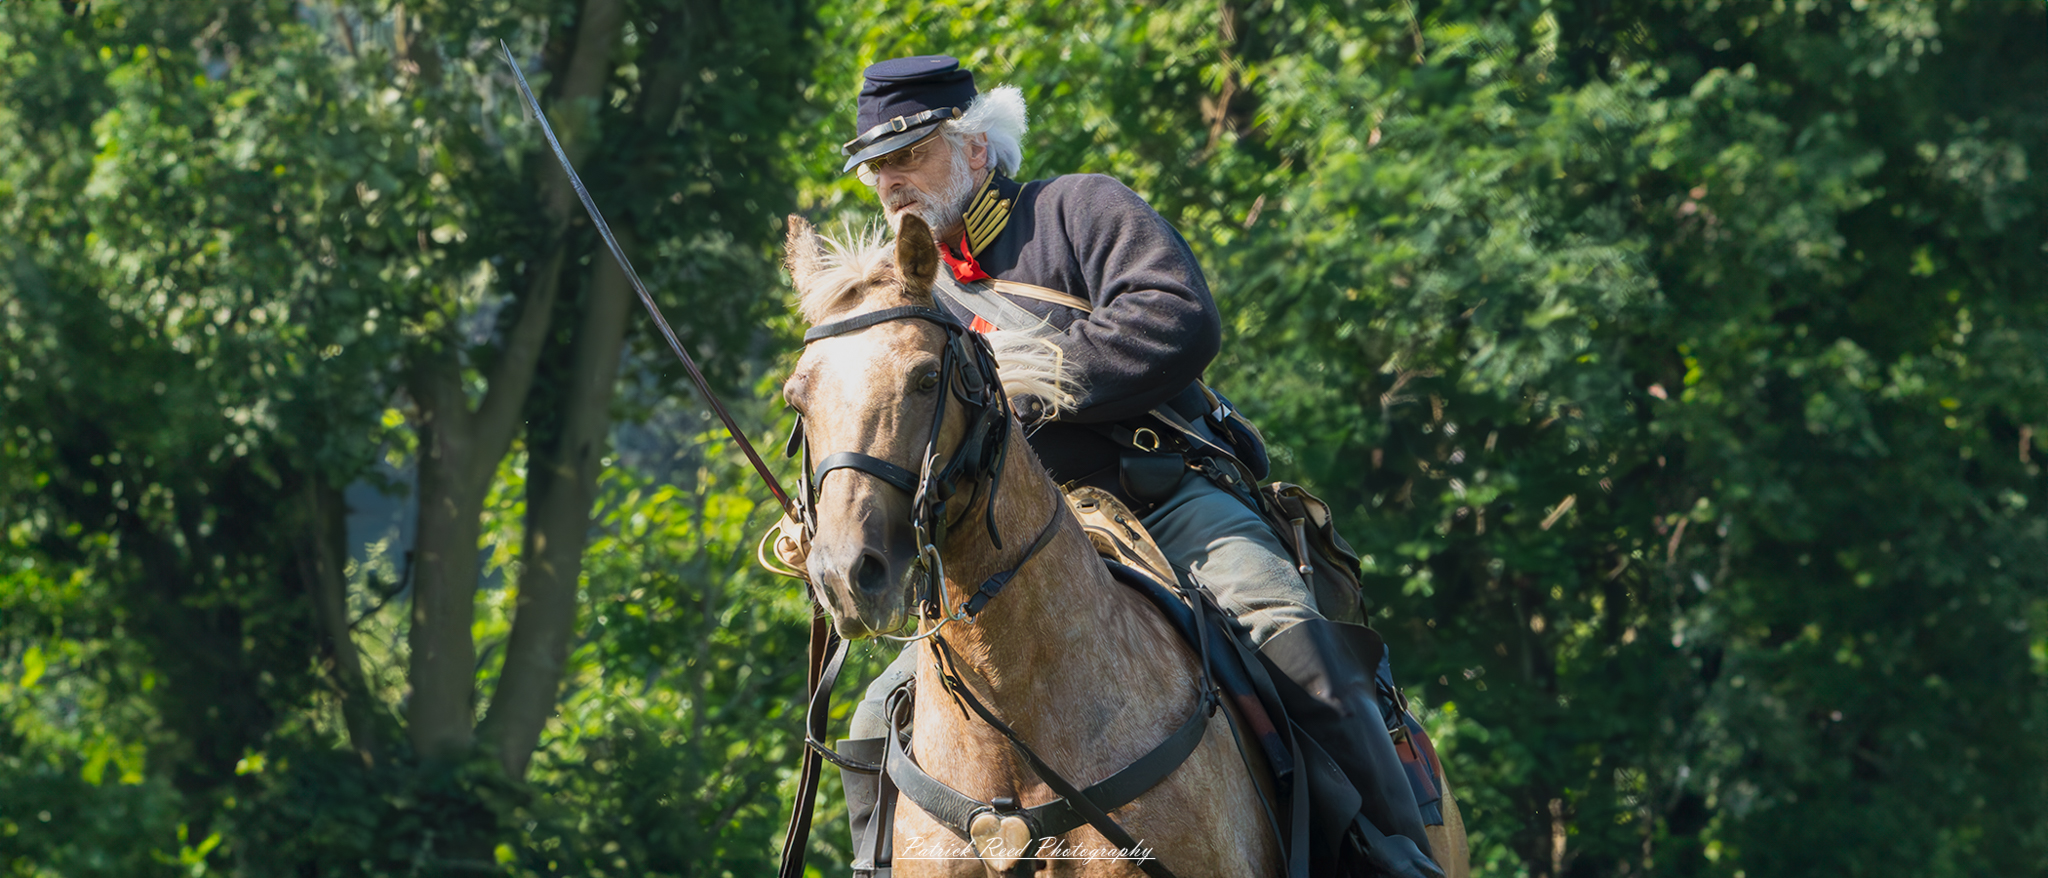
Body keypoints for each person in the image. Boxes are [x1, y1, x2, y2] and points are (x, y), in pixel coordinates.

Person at [833, 54, 1440, 877]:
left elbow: (1178, 319)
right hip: (1003, 544)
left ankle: (1394, 858)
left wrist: (1021, 379)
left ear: (976, 149)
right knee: (873, 720)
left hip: (1161, 496)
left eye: (909, 155)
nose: (891, 182)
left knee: (1291, 640)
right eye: (877, 168)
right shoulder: (906, 299)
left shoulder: (1079, 207)